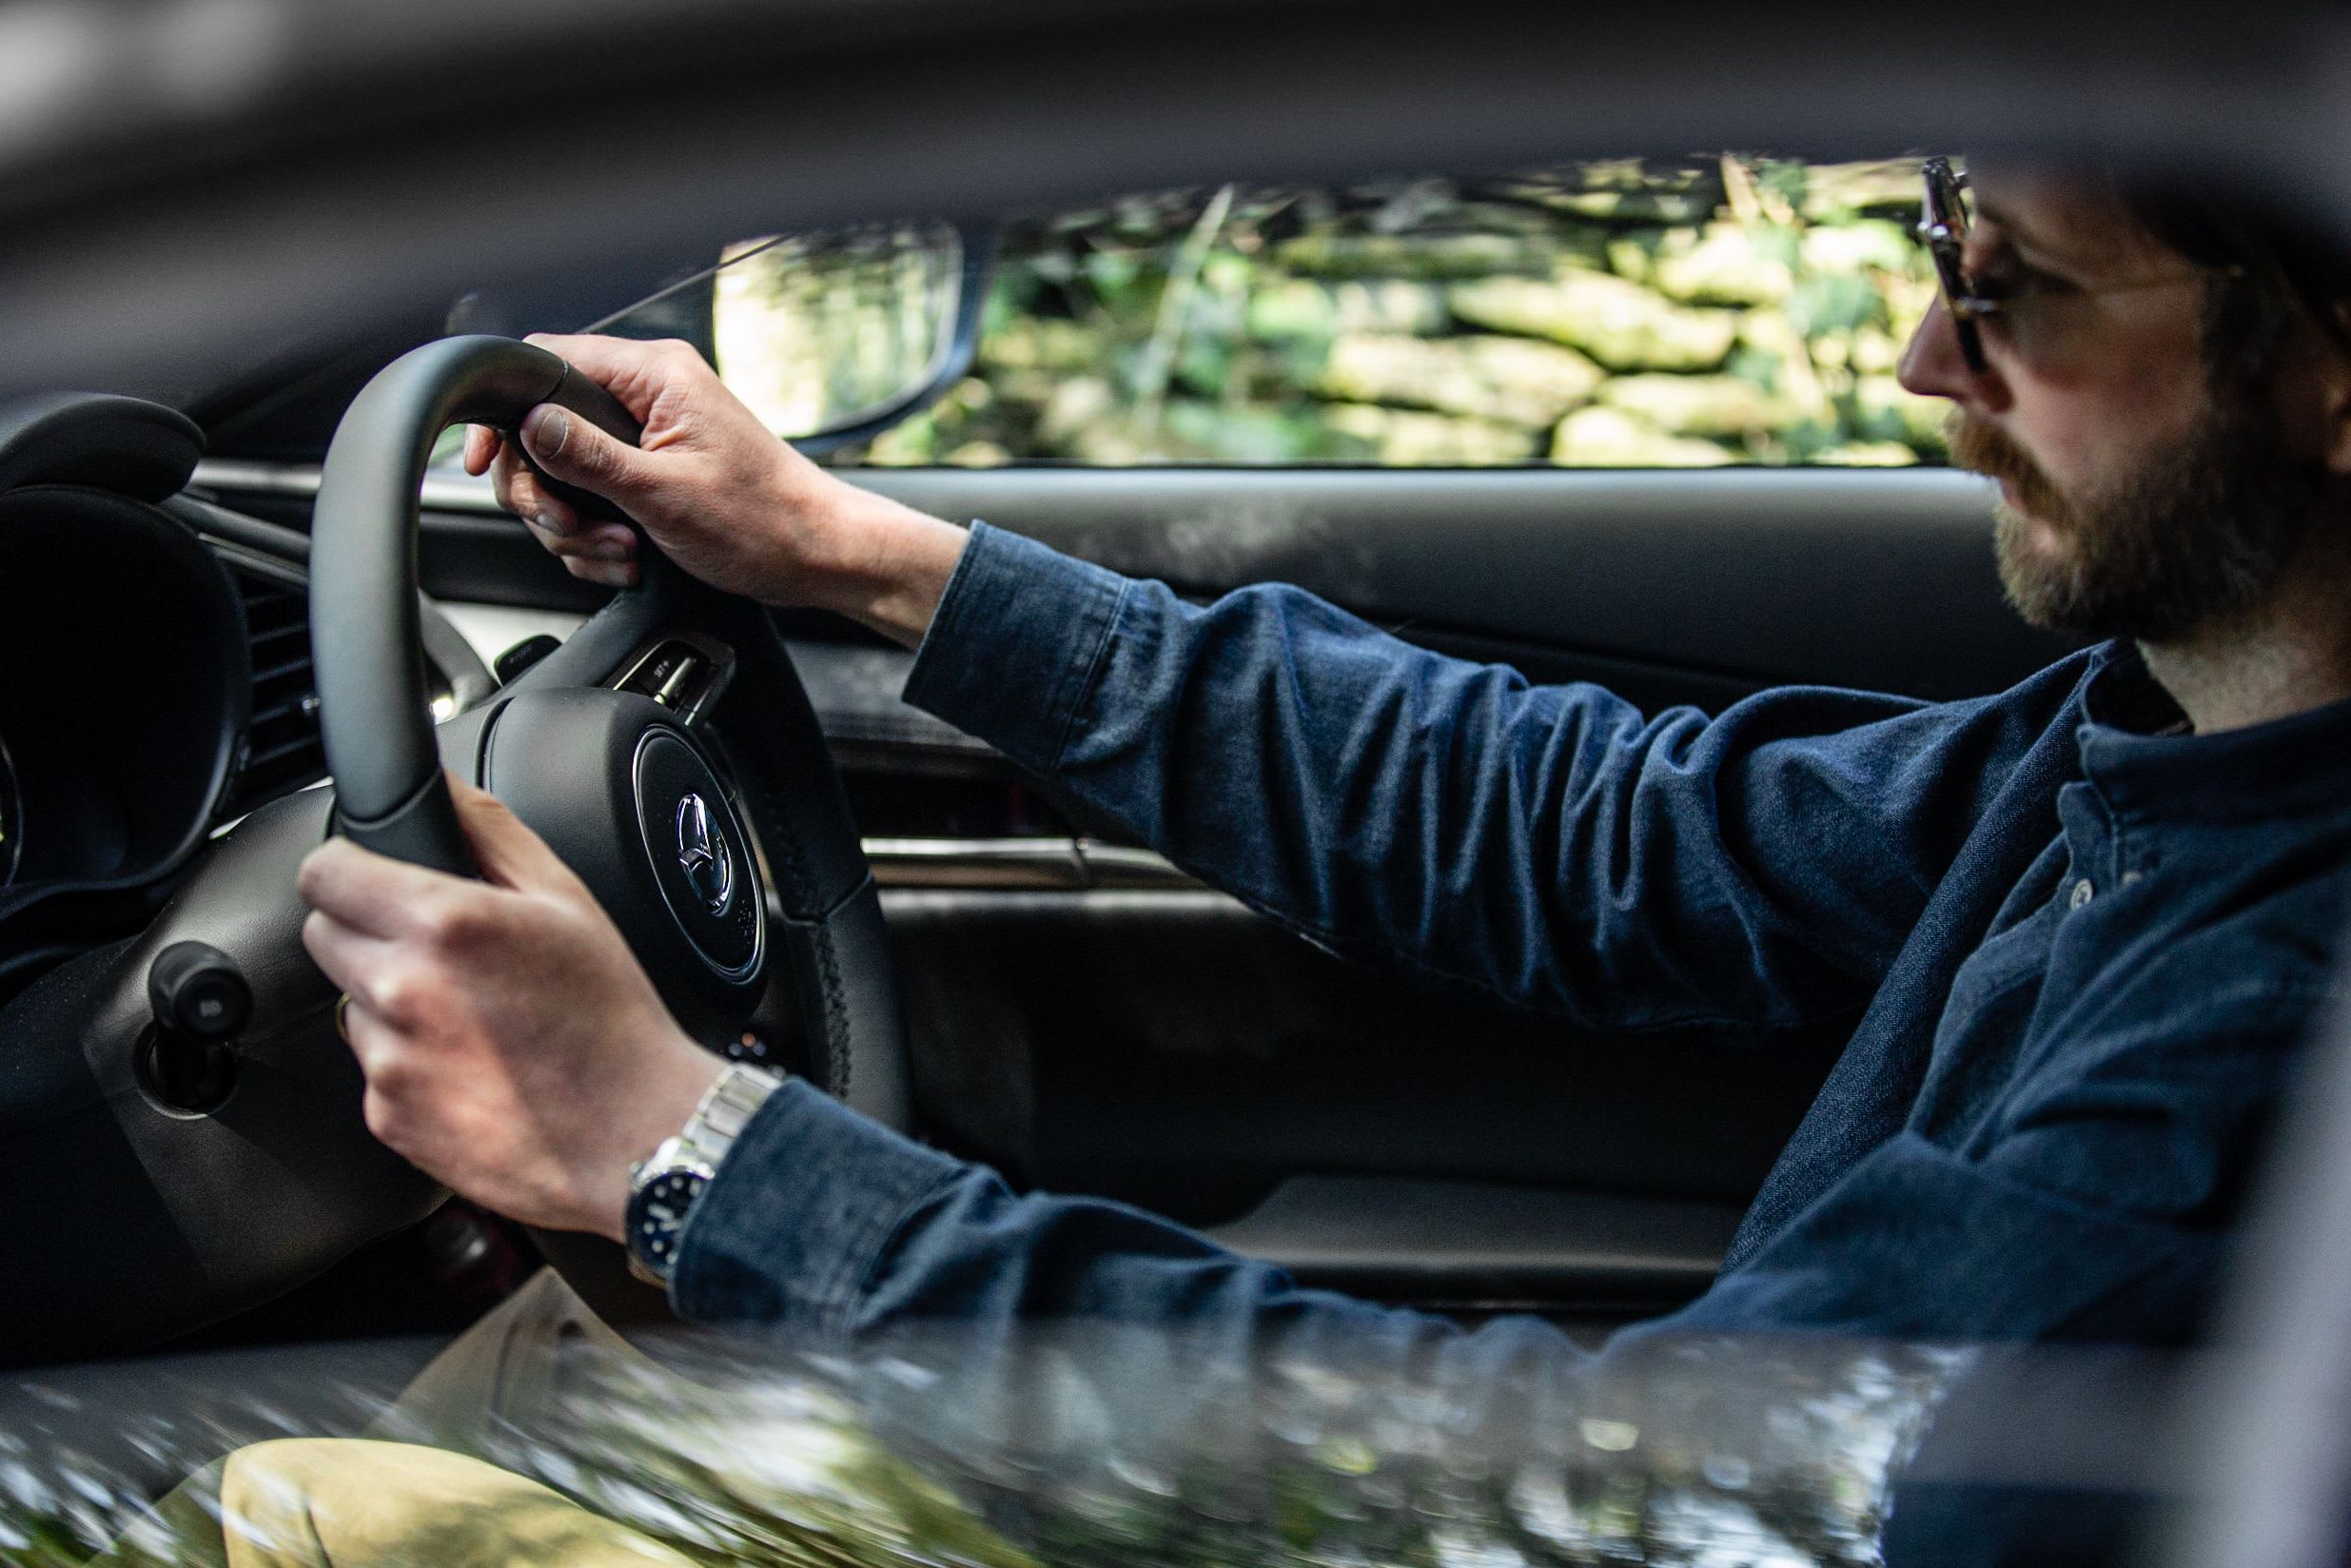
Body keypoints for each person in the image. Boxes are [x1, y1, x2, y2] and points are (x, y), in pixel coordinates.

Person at [294, 160, 2351, 1387]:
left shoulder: (2259, 1058)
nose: (1920, 353)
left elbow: (1634, 1491)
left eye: (2009, 282)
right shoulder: (2167, 744)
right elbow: (1601, 833)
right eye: (1931, 238)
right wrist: (858, 554)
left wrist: (688, 1147)